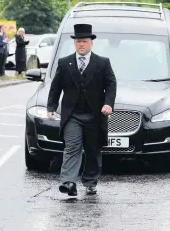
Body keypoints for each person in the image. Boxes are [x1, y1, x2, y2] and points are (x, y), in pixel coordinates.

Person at [47, 24, 117, 196]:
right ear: (75, 43)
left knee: (93, 149)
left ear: (91, 43)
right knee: (72, 146)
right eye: (78, 41)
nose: (81, 45)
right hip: (72, 115)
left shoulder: (102, 63)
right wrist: (51, 106)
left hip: (95, 115)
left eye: (84, 41)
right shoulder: (64, 63)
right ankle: (68, 182)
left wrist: (108, 103)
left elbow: (111, 84)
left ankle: (90, 180)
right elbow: (56, 87)